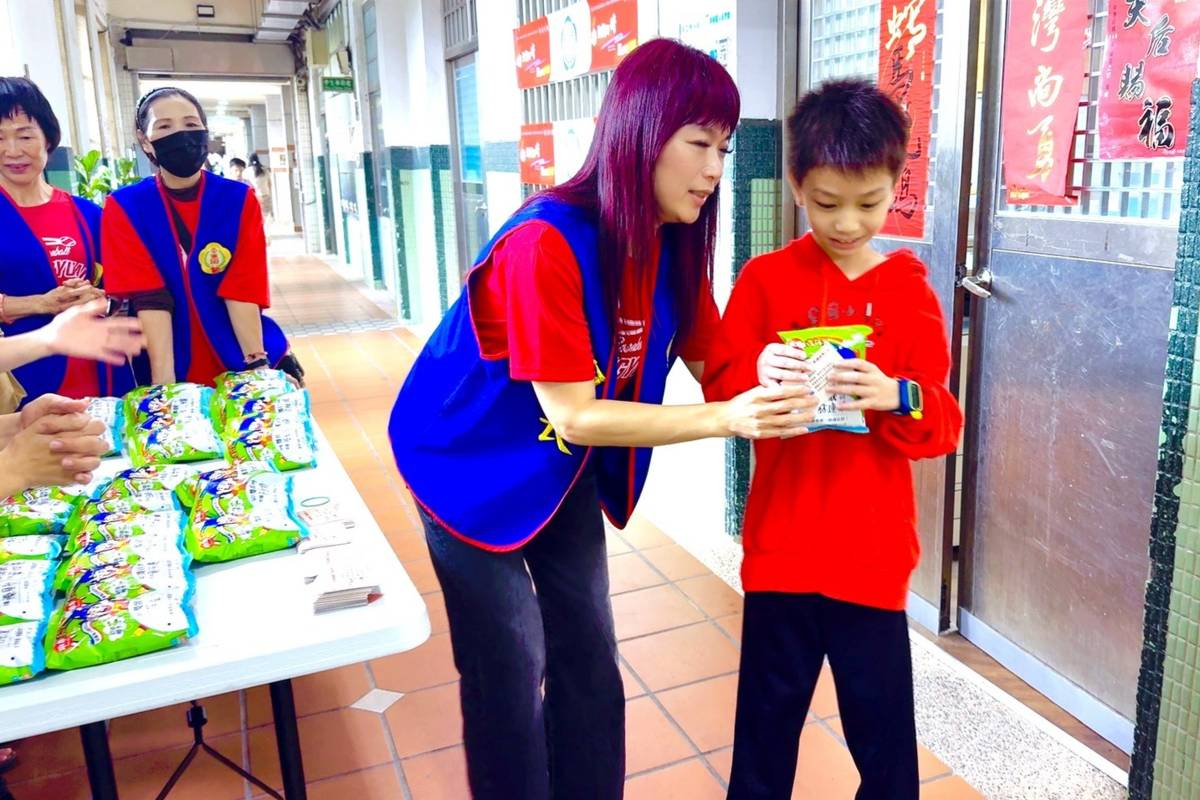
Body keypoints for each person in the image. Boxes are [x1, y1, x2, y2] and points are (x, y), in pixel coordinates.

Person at [388, 39, 814, 800]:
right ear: (644, 133)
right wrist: (727, 418)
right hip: (462, 460)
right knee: (510, 662)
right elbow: (577, 414)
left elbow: (717, 355)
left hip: (555, 470)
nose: (716, 170)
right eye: (699, 145)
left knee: (587, 645)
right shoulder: (545, 242)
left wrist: (792, 378)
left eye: (724, 146)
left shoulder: (674, 241)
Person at [701, 79, 964, 800]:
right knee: (763, 737)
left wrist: (896, 394)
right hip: (781, 551)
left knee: (884, 749)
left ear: (894, 186)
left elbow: (941, 422)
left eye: (869, 202)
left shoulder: (908, 291)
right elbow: (721, 390)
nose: (848, 223)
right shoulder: (764, 281)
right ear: (795, 184)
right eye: (825, 203)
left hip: (870, 558)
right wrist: (753, 369)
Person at [100, 87, 303, 387]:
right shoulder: (126, 206)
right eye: (164, 126)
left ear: (205, 132)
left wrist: (257, 366)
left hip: (236, 352)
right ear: (145, 140)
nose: (181, 134)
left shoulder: (237, 199)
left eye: (191, 124)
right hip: (167, 360)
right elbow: (150, 299)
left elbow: (242, 288)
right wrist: (166, 388)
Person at [0, 77, 139, 402]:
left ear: (48, 139)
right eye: (0, 138)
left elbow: (123, 287)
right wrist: (40, 303)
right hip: (24, 373)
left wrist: (100, 300)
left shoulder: (87, 213)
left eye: (25, 135)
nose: (13, 151)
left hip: (99, 367)